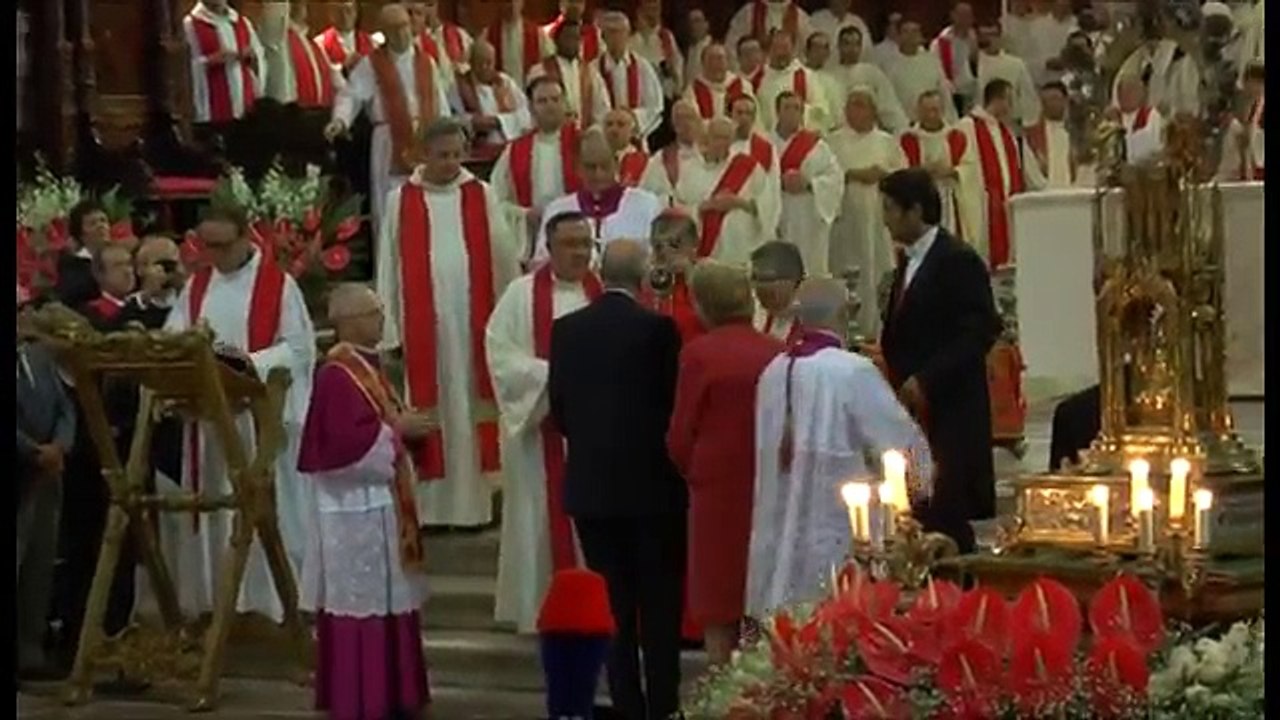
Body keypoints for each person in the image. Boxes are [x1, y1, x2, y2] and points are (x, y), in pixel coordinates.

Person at [548, 238, 685, 720]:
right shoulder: (659, 329)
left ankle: (626, 704)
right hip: (653, 488)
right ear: (644, 276)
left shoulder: (566, 330)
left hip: (591, 488)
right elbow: (674, 407)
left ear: (601, 274)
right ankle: (664, 706)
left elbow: (559, 410)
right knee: (659, 604)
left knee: (615, 606)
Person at [158, 203, 317, 619]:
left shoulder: (278, 286)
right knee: (215, 510)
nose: (214, 255)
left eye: (223, 246)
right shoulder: (195, 288)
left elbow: (298, 349)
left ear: (247, 238)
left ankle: (275, 605)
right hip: (209, 423)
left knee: (269, 510)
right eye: (206, 246)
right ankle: (218, 603)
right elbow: (173, 340)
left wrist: (240, 365)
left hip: (259, 421)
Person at [746, 277, 932, 614]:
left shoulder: (772, 371)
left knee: (779, 604)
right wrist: (918, 485)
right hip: (841, 520)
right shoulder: (851, 371)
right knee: (838, 607)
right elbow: (896, 441)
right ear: (845, 313)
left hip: (780, 517)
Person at [376, 118, 520, 528]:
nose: (452, 163)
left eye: (458, 155)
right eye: (443, 156)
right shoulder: (400, 200)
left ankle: (475, 505)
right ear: (423, 154)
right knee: (431, 407)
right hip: (426, 330)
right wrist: (388, 327)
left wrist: (509, 315)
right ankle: (432, 509)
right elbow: (389, 262)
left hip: (475, 322)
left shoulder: (481, 194)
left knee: (473, 409)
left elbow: (503, 255)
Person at [298, 283, 432, 720]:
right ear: (350, 320)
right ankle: (364, 696)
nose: (381, 319)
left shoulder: (367, 367)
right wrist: (399, 432)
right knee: (363, 601)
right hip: (354, 507)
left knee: (389, 597)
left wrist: (405, 426)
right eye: (375, 312)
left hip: (381, 503)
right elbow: (342, 445)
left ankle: (395, 692)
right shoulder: (338, 373)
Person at [486, 211, 602, 634]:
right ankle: (538, 608)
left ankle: (593, 609)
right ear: (548, 248)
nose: (579, 253)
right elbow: (501, 356)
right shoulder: (520, 296)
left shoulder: (604, 292)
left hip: (596, 436)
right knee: (539, 516)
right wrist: (557, 376)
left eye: (585, 244)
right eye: (569, 244)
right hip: (541, 432)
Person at [877, 167, 1000, 553]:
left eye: (890, 209)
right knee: (922, 506)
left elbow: (979, 330)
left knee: (948, 510)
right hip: (915, 408)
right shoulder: (907, 261)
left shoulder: (957, 260)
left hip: (949, 406)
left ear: (915, 212)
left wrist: (927, 378)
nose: (885, 219)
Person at [666, 260, 783, 666]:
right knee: (756, 591)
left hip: (716, 491)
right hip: (768, 485)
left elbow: (681, 432)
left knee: (719, 601)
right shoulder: (776, 351)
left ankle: (722, 686)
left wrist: (692, 469)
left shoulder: (699, 354)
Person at [325, 4, 451, 243]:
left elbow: (440, 102)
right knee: (391, 209)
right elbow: (351, 96)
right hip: (389, 143)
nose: (402, 33)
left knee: (428, 208)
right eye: (394, 29)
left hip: (426, 141)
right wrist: (340, 121)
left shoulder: (427, 62)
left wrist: (447, 132)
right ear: (384, 32)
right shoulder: (371, 64)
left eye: (404, 26)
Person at [17, 302, 77, 681]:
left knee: (39, 563)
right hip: (21, 467)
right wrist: (33, 450)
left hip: (47, 472)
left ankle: (29, 649)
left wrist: (59, 445)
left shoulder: (38, 357)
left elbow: (64, 408)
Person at [828, 87, 904, 335]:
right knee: (845, 269)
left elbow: (903, 175)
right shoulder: (833, 141)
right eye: (851, 104)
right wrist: (853, 174)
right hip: (846, 220)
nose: (854, 110)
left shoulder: (886, 141)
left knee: (877, 270)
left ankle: (877, 328)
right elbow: (826, 175)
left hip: (878, 219)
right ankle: (844, 328)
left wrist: (883, 175)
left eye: (860, 105)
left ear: (873, 110)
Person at [533, 128, 665, 264]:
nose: (598, 174)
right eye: (591, 167)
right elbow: (542, 262)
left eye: (604, 166)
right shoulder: (558, 210)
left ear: (616, 163)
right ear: (578, 167)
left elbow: (659, 259)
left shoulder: (646, 205)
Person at [955, 78, 1037, 269]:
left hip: (1005, 205)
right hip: (982, 204)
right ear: (998, 100)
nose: (1011, 107)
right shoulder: (968, 127)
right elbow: (964, 166)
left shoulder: (1006, 133)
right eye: (1009, 100)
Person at [674, 117, 777, 266]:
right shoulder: (690, 169)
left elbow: (768, 205)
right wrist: (707, 206)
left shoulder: (748, 166)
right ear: (706, 138)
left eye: (727, 138)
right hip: (701, 252)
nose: (722, 143)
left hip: (739, 250)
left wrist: (739, 203)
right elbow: (677, 207)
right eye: (717, 137)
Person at [773, 91, 843, 277]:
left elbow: (835, 178)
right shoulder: (766, 145)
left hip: (808, 218)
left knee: (810, 270)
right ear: (777, 112)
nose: (792, 113)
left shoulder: (817, 145)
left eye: (797, 108)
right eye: (787, 107)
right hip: (777, 213)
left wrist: (810, 184)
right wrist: (778, 182)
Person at [899, 90, 972, 242]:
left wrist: (951, 171)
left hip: (950, 198)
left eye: (935, 110)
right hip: (919, 200)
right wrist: (921, 172)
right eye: (926, 111)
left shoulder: (956, 137)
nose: (931, 115)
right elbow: (900, 169)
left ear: (943, 111)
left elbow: (970, 167)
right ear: (918, 112)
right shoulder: (908, 139)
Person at [183, 0, 266, 127]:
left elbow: (260, 58)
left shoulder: (242, 22)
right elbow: (183, 69)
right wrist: (210, 60)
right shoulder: (191, 24)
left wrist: (252, 57)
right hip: (212, 111)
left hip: (245, 108)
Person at [594, 12, 665, 142]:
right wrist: (611, 123)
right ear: (603, 37)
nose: (616, 37)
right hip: (604, 139)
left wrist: (632, 119)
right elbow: (592, 107)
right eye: (611, 32)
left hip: (635, 137)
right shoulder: (594, 68)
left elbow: (655, 105)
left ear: (628, 35)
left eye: (620, 32)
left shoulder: (642, 67)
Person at [261, 1, 343, 109]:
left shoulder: (314, 45)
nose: (299, 3)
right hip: (292, 114)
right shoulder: (278, 38)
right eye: (294, 2)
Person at [448, 40, 531, 148]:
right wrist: (471, 122)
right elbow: (452, 117)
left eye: (488, 62)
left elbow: (526, 112)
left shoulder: (505, 82)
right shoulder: (459, 86)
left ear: (495, 62)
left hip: (508, 145)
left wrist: (499, 121)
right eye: (479, 63)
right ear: (471, 63)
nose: (484, 67)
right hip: (475, 149)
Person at [528, 20, 610, 128]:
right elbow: (531, 108)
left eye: (576, 38)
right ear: (556, 41)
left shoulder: (591, 72)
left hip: (584, 134)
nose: (573, 42)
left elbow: (602, 108)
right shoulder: (540, 70)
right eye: (568, 37)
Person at [832, 26, 908, 133]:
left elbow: (889, 106)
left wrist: (901, 130)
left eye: (856, 44)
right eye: (847, 44)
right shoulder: (830, 74)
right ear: (839, 46)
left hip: (869, 133)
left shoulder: (873, 73)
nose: (852, 49)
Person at [646, 210, 707, 344]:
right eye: (658, 247)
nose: (666, 252)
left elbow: (717, 321)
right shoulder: (648, 280)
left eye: (675, 244)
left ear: (694, 243)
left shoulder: (711, 276)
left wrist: (690, 276)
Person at [756, 30, 829, 132]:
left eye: (785, 48)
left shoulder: (806, 76)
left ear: (793, 50)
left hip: (798, 139)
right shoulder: (758, 78)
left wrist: (799, 114)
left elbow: (821, 109)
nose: (781, 53)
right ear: (769, 50)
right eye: (777, 48)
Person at [885, 20, 955, 124]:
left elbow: (944, 92)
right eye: (906, 31)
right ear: (898, 36)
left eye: (915, 31)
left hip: (933, 123)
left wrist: (950, 119)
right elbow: (889, 101)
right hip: (905, 124)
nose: (911, 36)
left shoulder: (932, 61)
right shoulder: (889, 65)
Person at [975, 21, 1040, 128]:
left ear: (1000, 37)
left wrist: (1028, 124)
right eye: (984, 35)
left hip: (1010, 124)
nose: (989, 39)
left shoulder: (1016, 64)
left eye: (993, 35)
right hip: (979, 123)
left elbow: (1028, 95)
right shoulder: (973, 63)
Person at [1023, 81, 1087, 188]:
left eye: (1054, 98)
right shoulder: (1031, 136)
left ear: (1065, 101)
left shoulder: (1077, 134)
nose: (1050, 104)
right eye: (1045, 100)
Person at [641, 99, 704, 205]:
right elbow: (646, 194)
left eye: (689, 117)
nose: (685, 123)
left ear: (699, 121)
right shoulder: (661, 159)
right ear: (673, 125)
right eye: (679, 119)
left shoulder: (712, 155)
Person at [55, 200, 112, 311]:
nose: (101, 226)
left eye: (103, 221)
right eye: (92, 223)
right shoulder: (72, 265)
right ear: (80, 233)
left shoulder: (123, 257)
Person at [726, 0, 812, 69]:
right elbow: (731, 48)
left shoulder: (801, 17)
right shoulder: (748, 13)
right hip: (755, 76)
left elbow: (808, 51)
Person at [484, 0, 552, 87]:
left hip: (528, 92)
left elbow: (549, 64)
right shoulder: (489, 33)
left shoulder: (537, 34)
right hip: (500, 92)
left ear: (522, 3)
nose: (512, 6)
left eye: (516, 1)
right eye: (508, 1)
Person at [630, 0, 684, 106]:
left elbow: (677, 64)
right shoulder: (631, 41)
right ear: (641, 11)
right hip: (642, 95)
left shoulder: (666, 37)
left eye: (656, 9)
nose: (653, 14)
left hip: (665, 94)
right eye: (649, 9)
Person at [750, 241, 805, 344]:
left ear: (793, 281)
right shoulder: (751, 314)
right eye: (754, 278)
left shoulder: (812, 320)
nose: (757, 287)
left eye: (765, 279)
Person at [930, 2, 978, 114]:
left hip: (973, 95)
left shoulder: (975, 39)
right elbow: (936, 71)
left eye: (968, 15)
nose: (965, 19)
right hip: (951, 96)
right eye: (962, 15)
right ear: (953, 16)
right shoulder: (941, 43)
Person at [684, 43, 752, 121]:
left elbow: (751, 117)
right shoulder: (693, 90)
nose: (715, 63)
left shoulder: (743, 86)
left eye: (720, 58)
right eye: (711, 59)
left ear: (728, 62)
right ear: (703, 63)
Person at [81, 244, 136, 329]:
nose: (128, 271)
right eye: (118, 266)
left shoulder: (143, 306)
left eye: (129, 264)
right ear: (99, 274)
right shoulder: (92, 313)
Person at [314, 0, 376, 76]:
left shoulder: (371, 42)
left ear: (356, 12)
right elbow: (322, 73)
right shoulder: (320, 44)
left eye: (348, 10)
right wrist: (343, 68)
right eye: (339, 11)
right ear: (331, 13)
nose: (344, 16)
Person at [415, 0, 473, 78]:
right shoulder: (414, 41)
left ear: (437, 5)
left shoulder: (459, 34)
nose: (426, 11)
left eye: (429, 5)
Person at [810, 0, 872, 70]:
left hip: (852, 74)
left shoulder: (858, 23)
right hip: (823, 73)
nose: (842, 2)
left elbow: (868, 53)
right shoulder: (817, 20)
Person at [543, 0, 601, 64]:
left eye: (579, 1)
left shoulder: (594, 33)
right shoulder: (546, 33)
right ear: (561, 3)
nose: (574, 6)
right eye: (570, 1)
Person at [604, 109, 649, 186]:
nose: (613, 129)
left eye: (621, 124)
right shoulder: (593, 159)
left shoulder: (644, 162)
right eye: (609, 124)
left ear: (632, 131)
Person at [683, 9, 713, 92]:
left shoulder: (715, 49)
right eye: (691, 22)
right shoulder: (688, 51)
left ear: (706, 24)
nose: (693, 26)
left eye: (697, 21)